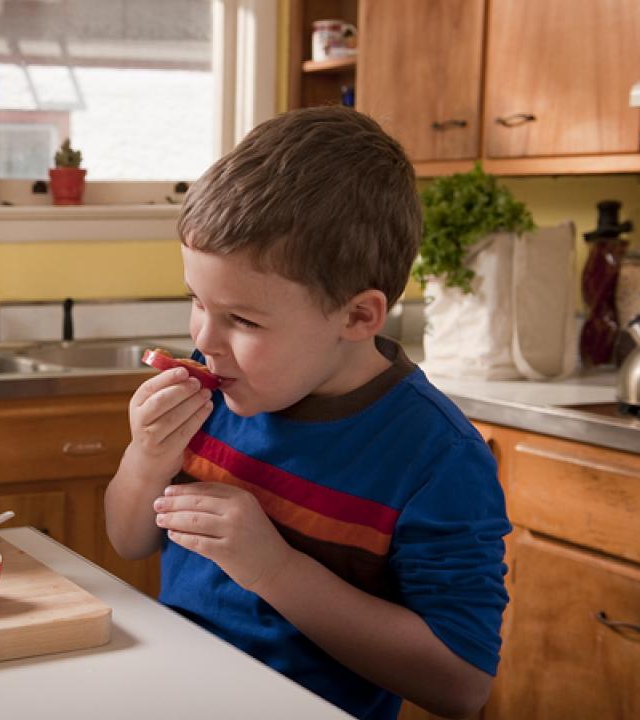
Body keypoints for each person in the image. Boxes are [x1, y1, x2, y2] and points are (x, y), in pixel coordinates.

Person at [105, 106, 509, 720]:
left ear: (357, 317)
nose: (205, 340)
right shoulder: (213, 395)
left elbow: (460, 684)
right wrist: (146, 458)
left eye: (242, 319)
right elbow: (128, 540)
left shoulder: (437, 459)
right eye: (197, 301)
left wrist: (273, 568)